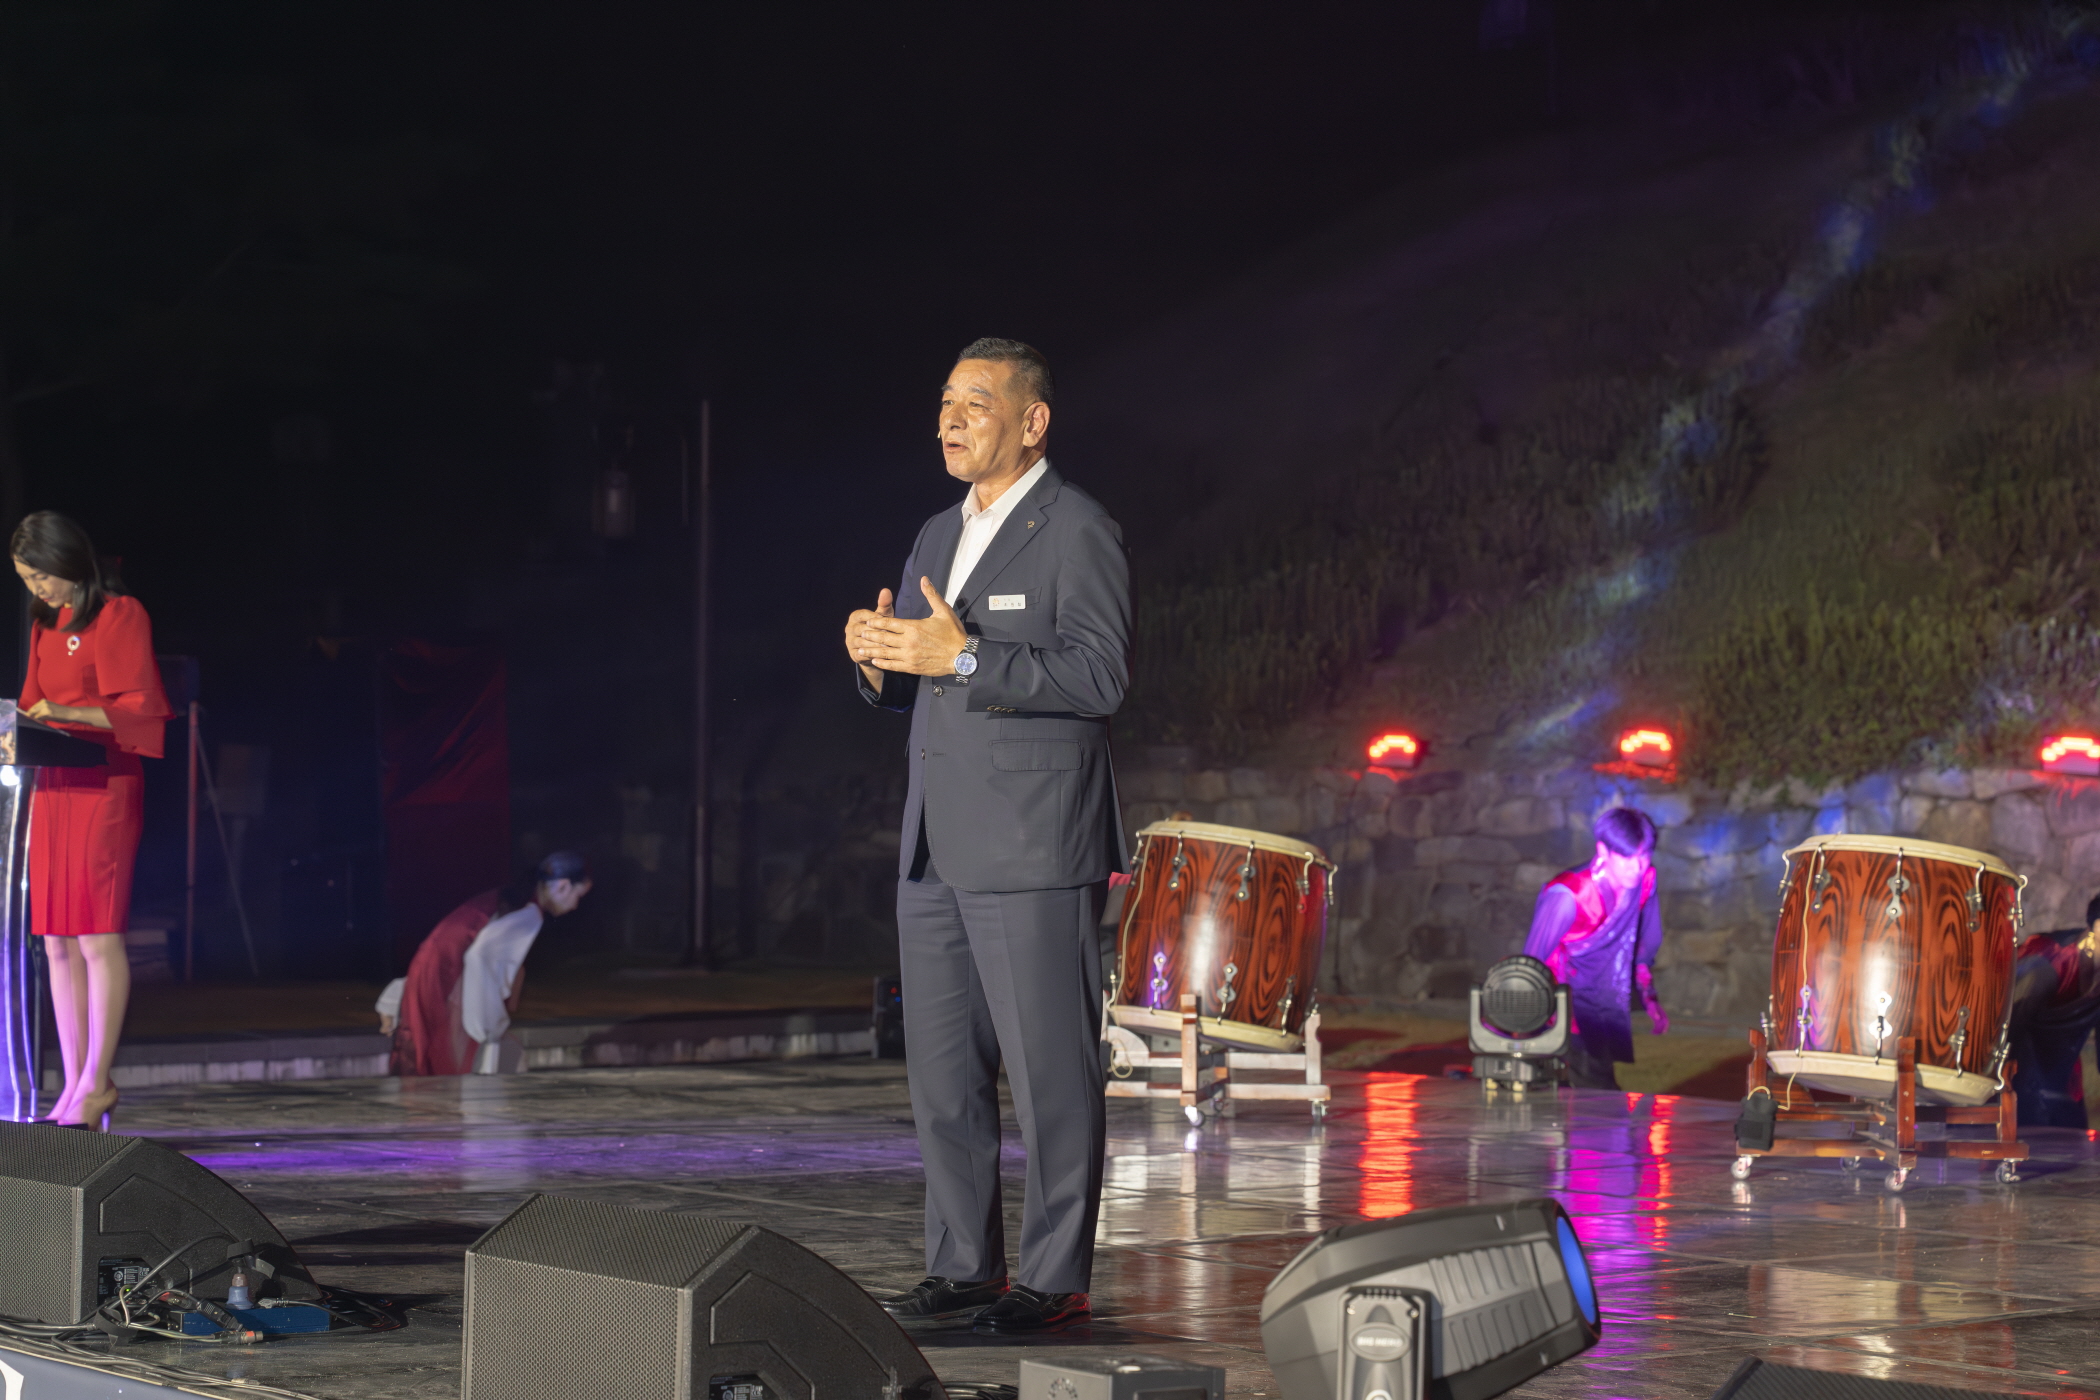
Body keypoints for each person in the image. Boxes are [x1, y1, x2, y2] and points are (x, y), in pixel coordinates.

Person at [844, 338, 1130, 1336]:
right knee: (942, 1077)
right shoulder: (937, 531)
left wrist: (965, 657)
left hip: (1034, 841)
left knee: (1052, 1074)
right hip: (936, 839)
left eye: (975, 402)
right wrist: (879, 661)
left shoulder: (1078, 527)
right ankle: (963, 1265)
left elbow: (1100, 677)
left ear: (1032, 421)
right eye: (944, 403)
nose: (950, 420)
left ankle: (1054, 1277)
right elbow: (921, 674)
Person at [12, 511, 173, 1131]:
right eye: (27, 580)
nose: (37, 590)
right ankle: (75, 1083)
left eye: (41, 577)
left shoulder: (119, 614)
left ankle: (98, 1080)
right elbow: (31, 706)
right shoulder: (44, 625)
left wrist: (67, 712)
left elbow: (139, 708)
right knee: (56, 940)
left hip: (103, 785)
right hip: (53, 788)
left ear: (68, 562)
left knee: (97, 936)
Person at [377, 851, 592, 1076]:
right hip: (445, 983)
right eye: (578, 895)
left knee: (425, 1060)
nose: (575, 905)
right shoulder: (527, 914)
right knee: (442, 1065)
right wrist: (490, 1029)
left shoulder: (508, 900)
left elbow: (449, 944)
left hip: (432, 974)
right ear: (563, 886)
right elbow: (479, 958)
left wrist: (393, 998)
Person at [1524, 806, 1669, 1090]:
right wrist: (1524, 1023)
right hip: (1559, 1002)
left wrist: (1649, 996)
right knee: (1590, 1096)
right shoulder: (1569, 894)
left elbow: (1644, 944)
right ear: (1603, 851)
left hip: (1601, 1001)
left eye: (1643, 856)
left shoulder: (1645, 880)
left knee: (1594, 1092)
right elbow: (1531, 961)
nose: (1636, 867)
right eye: (1626, 857)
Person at [2006, 894, 2100, 1129]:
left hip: (2062, 1073)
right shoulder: (2048, 960)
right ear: (2096, 927)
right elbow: (2007, 1028)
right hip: (2016, 1069)